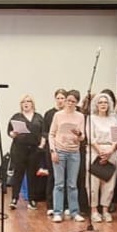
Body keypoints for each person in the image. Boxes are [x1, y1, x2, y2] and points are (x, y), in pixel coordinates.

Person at [48, 90, 86, 223]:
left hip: (74, 152)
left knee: (72, 184)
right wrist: (53, 151)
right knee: (59, 183)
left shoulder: (80, 116)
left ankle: (74, 211)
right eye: (68, 100)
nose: (70, 103)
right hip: (60, 151)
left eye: (73, 101)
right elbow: (51, 134)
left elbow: (82, 137)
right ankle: (57, 212)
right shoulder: (58, 115)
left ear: (77, 103)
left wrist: (78, 134)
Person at [86, 93, 117, 222]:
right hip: (95, 151)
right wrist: (100, 151)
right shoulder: (91, 118)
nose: (103, 105)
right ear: (96, 104)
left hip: (111, 151)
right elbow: (90, 137)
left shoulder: (114, 119)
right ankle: (94, 210)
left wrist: (111, 150)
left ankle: (105, 210)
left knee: (109, 183)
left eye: (105, 102)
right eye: (100, 102)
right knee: (93, 184)